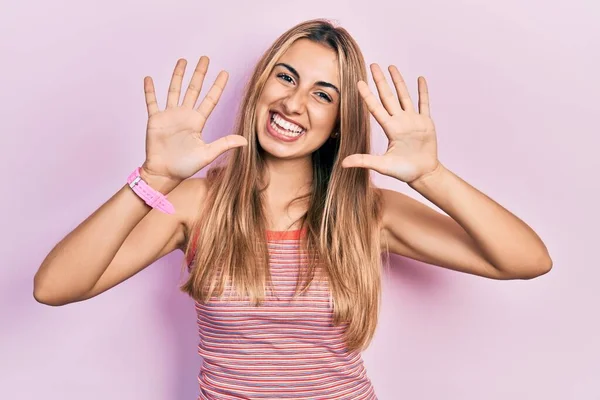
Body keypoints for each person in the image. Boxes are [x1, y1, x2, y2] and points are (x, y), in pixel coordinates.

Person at [33, 18, 552, 399]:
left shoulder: (370, 215)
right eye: (286, 77)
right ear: (261, 84)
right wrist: (153, 179)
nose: (294, 103)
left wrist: (431, 176)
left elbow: (526, 260)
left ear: (340, 121)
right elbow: (55, 287)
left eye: (323, 94)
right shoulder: (195, 204)